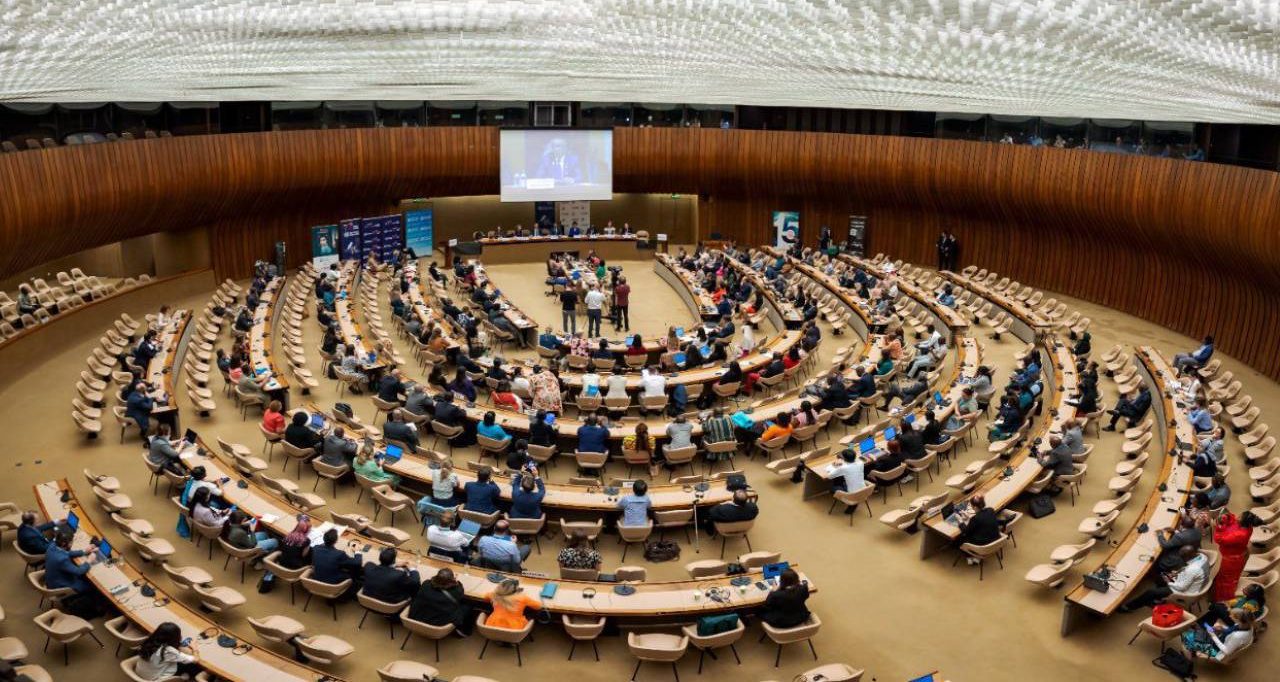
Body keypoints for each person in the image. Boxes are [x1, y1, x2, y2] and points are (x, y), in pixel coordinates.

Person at [1121, 546, 1209, 611]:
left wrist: (1168, 582)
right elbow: (1189, 569)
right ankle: (1157, 598)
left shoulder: (1193, 569)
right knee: (1160, 578)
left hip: (1184, 592)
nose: (1182, 559)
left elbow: (1181, 587)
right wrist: (1178, 573)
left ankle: (1129, 607)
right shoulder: (1202, 556)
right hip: (1188, 582)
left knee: (1150, 592)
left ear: (1187, 557)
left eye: (1183, 558)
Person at [408, 568, 474, 636]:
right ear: (452, 580)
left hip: (417, 619)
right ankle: (463, 631)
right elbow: (460, 589)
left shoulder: (426, 584)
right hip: (438, 624)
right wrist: (456, 581)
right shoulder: (456, 591)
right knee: (468, 605)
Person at [1212, 511, 1260, 601]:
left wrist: (1219, 528)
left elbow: (1219, 539)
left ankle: (1221, 598)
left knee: (1226, 580)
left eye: (1240, 516)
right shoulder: (1248, 526)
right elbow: (1233, 519)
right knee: (1226, 577)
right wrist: (1226, 516)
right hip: (1238, 554)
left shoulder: (1240, 535)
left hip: (1232, 561)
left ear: (1243, 522)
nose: (1238, 516)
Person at [134, 622, 201, 680]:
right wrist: (195, 648)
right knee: (192, 666)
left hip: (140, 672)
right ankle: (183, 678)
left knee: (178, 658)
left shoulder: (150, 641)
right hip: (151, 678)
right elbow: (196, 659)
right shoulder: (168, 651)